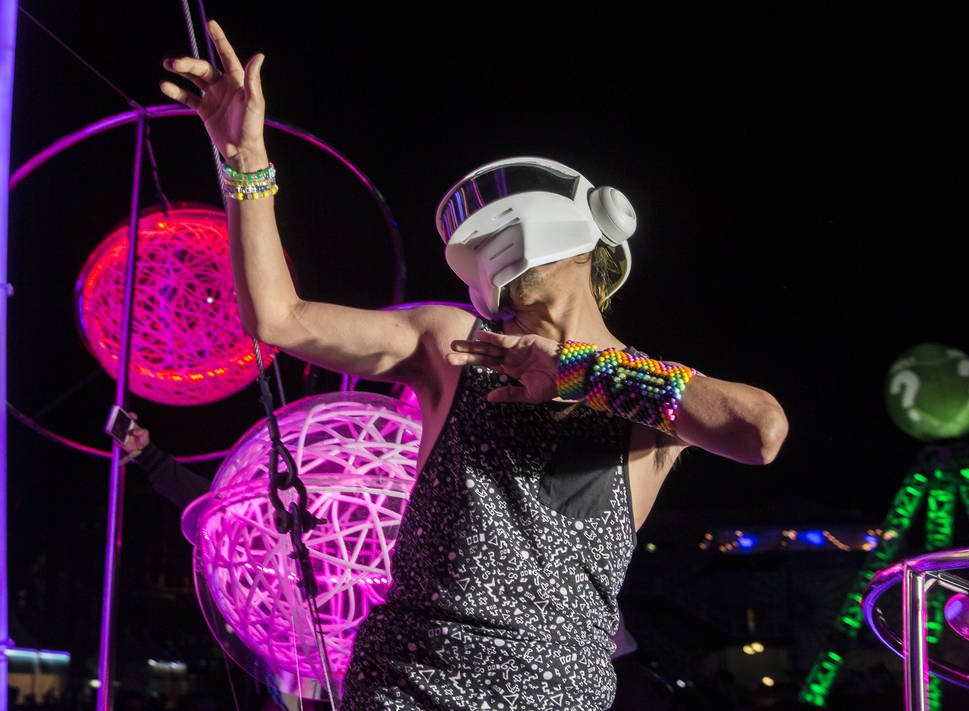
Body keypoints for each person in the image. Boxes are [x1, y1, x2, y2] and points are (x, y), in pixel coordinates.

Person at [160, 20, 788, 711]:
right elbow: (280, 319)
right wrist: (244, 160)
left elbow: (760, 431)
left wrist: (579, 370)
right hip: (407, 688)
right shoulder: (454, 342)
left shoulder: (646, 389)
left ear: (591, 239)